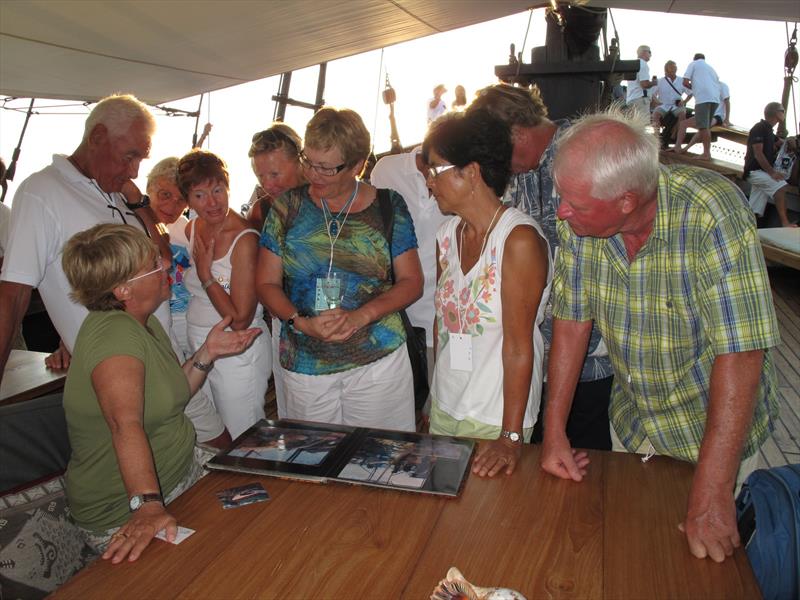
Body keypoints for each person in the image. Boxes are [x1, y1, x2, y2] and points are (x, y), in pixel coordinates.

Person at [541, 108, 780, 564]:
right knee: (629, 556)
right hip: (633, 423)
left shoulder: (712, 213)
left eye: (577, 205)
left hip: (712, 433)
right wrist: (554, 432)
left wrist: (712, 492)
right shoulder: (578, 219)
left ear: (627, 201)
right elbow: (572, 323)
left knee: (705, 568)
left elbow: (742, 352)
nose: (561, 212)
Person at [0, 94, 228, 447]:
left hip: (167, 358)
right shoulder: (41, 192)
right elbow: (13, 296)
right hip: (125, 374)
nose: (134, 169)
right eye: (130, 156)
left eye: (141, 158)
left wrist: (139, 203)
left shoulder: (116, 194)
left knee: (219, 451)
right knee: (191, 461)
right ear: (97, 137)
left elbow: (163, 259)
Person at [61, 224, 260, 562]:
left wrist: (206, 354)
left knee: (264, 516)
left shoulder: (142, 322)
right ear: (124, 289)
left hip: (182, 475)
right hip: (124, 509)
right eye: (154, 264)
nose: (167, 265)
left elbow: (172, 398)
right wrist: (148, 506)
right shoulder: (115, 339)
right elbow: (125, 425)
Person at [467, 83, 615, 451]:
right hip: (529, 355)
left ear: (517, 131)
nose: (495, 162)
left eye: (499, 150)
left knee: (585, 462)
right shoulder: (517, 172)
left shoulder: (586, 155)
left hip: (589, 358)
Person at [256, 107, 423, 431]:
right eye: (308, 162)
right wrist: (299, 322)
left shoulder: (388, 205)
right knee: (313, 462)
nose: (313, 174)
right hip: (305, 362)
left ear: (358, 164)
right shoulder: (285, 208)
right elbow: (265, 283)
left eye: (326, 168)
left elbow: (411, 282)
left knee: (378, 461)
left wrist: (361, 315)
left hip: (378, 361)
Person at [424, 111, 551, 478]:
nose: (429, 184)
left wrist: (510, 437)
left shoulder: (518, 240)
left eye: (436, 171)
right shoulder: (447, 236)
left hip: (495, 417)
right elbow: (441, 324)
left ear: (471, 172)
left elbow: (518, 345)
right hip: (448, 406)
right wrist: (434, 398)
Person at [178, 150, 271, 439]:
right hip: (200, 346)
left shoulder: (245, 240)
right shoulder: (191, 227)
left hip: (236, 350)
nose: (212, 202)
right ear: (188, 200)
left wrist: (206, 276)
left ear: (228, 187)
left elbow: (240, 319)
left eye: (217, 190)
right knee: (208, 431)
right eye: (200, 195)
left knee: (243, 434)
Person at [370, 145, 449, 376]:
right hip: (391, 318)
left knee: (432, 403)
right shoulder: (386, 170)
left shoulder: (467, 181)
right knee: (395, 402)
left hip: (439, 320)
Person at [245, 123, 306, 419]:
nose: (268, 184)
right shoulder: (263, 211)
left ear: (300, 161)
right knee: (291, 401)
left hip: (335, 317)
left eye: (275, 174)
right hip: (286, 318)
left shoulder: (328, 200)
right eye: (260, 176)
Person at [745, 102, 796, 227]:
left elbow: (781, 143)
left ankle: (747, 226)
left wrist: (790, 141)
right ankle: (785, 223)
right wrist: (772, 173)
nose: (784, 113)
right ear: (777, 113)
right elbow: (758, 153)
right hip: (754, 172)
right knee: (781, 187)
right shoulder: (759, 128)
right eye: (782, 111)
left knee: (754, 208)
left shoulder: (768, 130)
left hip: (761, 172)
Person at [245, 123, 305, 231]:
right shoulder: (259, 213)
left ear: (298, 162)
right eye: (260, 176)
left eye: (274, 174)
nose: (267, 186)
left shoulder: (328, 205)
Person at [678, 53, 720, 159]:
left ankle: (706, 153)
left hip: (703, 99)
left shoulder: (693, 64)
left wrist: (694, 87)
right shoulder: (711, 69)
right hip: (715, 99)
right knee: (706, 127)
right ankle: (706, 152)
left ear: (694, 59)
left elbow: (685, 82)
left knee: (703, 127)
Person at [673, 81, 730, 156]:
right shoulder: (705, 85)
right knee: (683, 124)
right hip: (705, 113)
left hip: (717, 116)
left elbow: (727, 102)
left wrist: (727, 119)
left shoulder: (722, 86)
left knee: (704, 127)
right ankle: (677, 146)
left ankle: (686, 148)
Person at [651, 60, 690, 139]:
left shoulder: (681, 80)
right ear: (666, 70)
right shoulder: (660, 81)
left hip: (676, 105)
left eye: (674, 67)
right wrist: (657, 102)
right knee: (655, 115)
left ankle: (674, 133)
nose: (673, 69)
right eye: (671, 68)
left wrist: (684, 101)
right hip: (663, 105)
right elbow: (652, 94)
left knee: (682, 115)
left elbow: (690, 93)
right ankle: (656, 136)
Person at [626, 45, 656, 118]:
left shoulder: (633, 65)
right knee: (642, 126)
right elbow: (644, 84)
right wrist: (653, 83)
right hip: (640, 100)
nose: (651, 55)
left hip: (631, 99)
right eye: (649, 52)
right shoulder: (643, 64)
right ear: (644, 52)